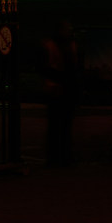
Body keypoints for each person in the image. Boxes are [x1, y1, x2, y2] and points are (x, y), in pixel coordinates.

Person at [43, 19, 80, 167]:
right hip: (62, 89)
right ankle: (62, 156)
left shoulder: (52, 45)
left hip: (59, 89)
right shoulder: (69, 45)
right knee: (63, 126)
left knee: (58, 125)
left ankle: (57, 157)